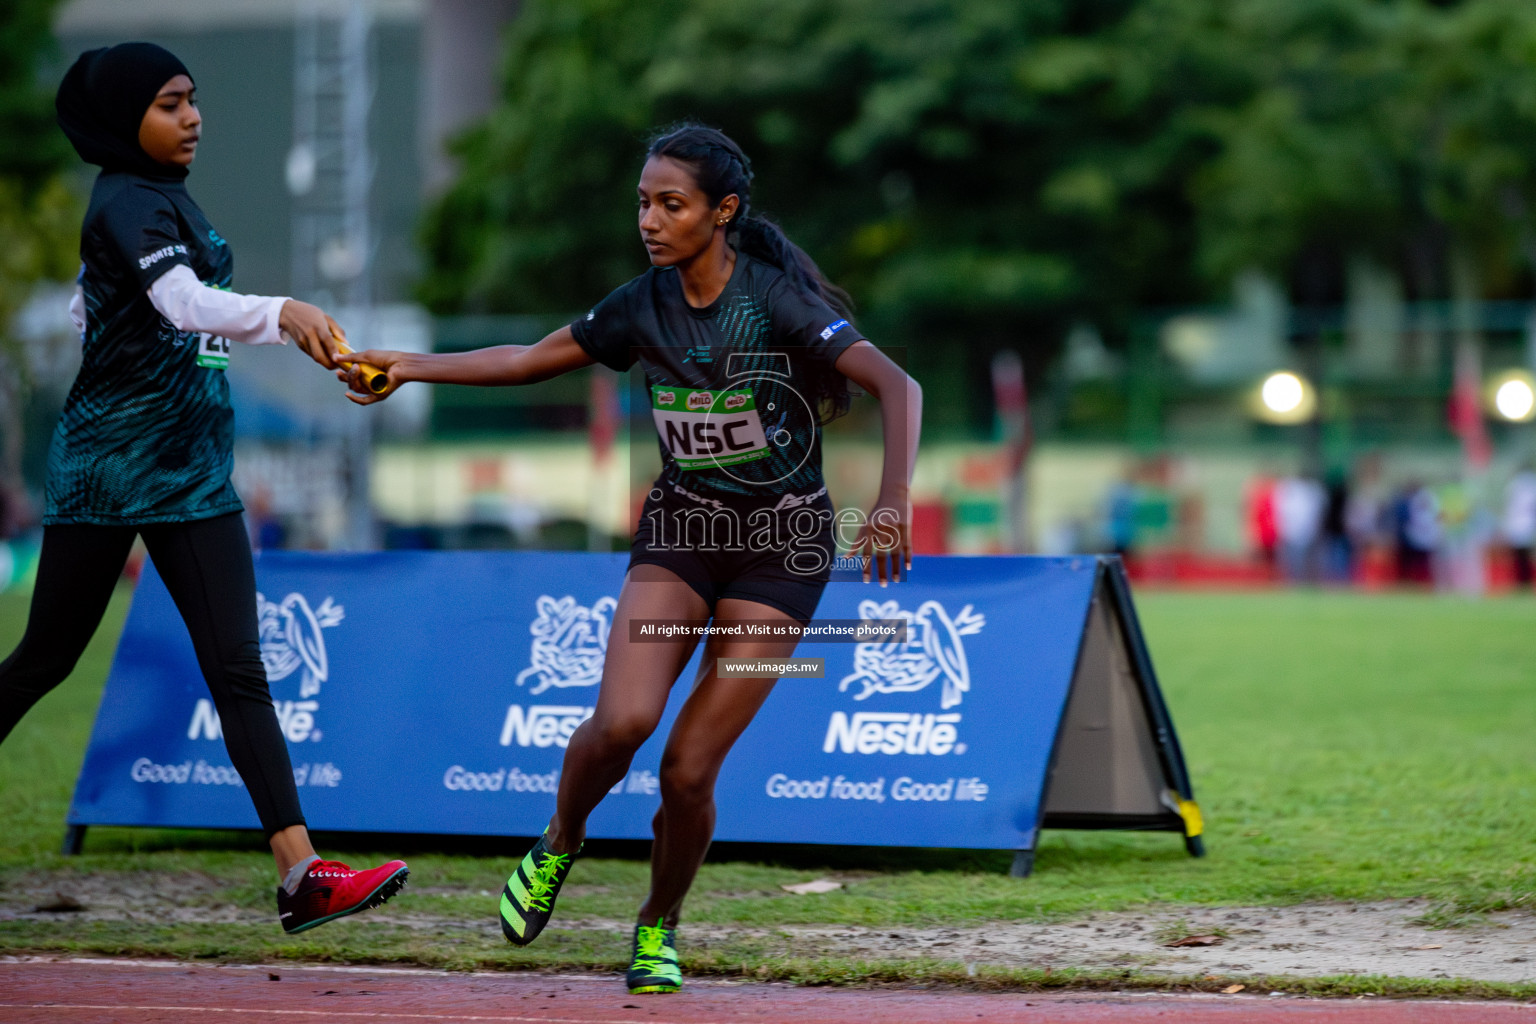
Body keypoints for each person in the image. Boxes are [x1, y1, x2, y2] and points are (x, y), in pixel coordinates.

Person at [338, 123, 921, 994]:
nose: (650, 219)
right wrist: (409, 367)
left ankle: (658, 925)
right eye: (644, 202)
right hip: (681, 537)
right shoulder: (639, 304)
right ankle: (559, 841)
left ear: (721, 213)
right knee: (621, 726)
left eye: (671, 204)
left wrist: (891, 503)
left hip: (781, 555)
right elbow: (532, 359)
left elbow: (898, 385)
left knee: (688, 770)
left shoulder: (776, 302)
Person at [0, 42, 408, 934]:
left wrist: (112, 320)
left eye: (192, 100)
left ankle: (303, 876)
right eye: (169, 104)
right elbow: (184, 304)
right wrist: (282, 311)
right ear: (122, 122)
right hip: (111, 469)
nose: (191, 118)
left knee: (238, 668)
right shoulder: (128, 199)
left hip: (190, 470)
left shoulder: (157, 202)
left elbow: (93, 304)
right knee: (45, 660)